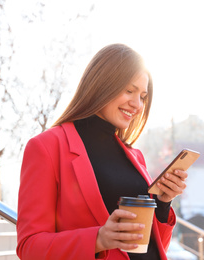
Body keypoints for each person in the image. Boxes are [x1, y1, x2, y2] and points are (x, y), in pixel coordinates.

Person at [16, 43, 188, 260]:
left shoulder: (135, 156)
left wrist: (163, 204)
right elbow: (30, 247)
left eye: (143, 96)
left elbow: (153, 247)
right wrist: (99, 239)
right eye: (129, 90)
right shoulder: (47, 147)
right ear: (102, 85)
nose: (137, 104)